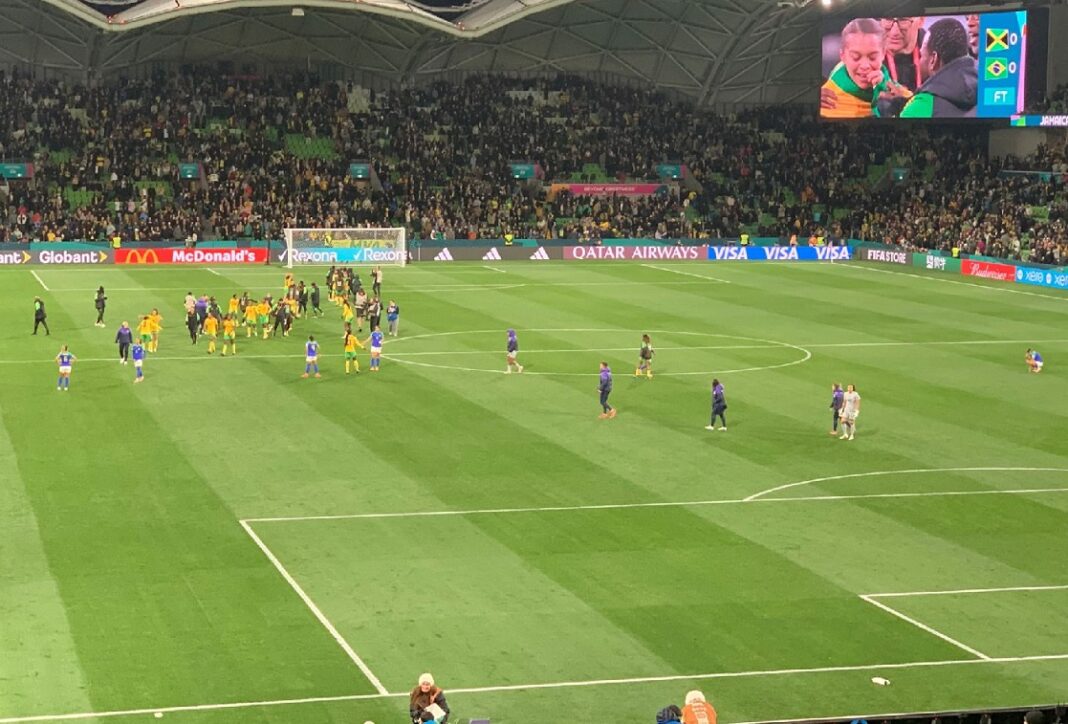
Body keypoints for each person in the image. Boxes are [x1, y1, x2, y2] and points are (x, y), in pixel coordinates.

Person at [899, 18, 976, 119]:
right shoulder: (989, 95)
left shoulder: (920, 107)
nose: (920, 61)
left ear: (933, 60)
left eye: (922, 55)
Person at [820, 19, 891, 118]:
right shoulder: (828, 102)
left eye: (872, 57)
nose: (865, 66)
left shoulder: (888, 82)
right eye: (856, 57)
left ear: (883, 54)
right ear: (843, 56)